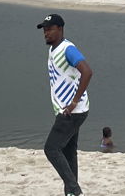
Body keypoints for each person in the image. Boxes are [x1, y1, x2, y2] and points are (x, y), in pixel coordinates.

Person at [37, 14, 95, 196]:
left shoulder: (67, 49)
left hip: (72, 112)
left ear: (60, 29)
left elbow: (87, 71)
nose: (46, 33)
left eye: (50, 29)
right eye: (45, 30)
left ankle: (76, 192)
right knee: (69, 152)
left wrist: (73, 102)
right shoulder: (54, 49)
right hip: (70, 110)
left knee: (51, 148)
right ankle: (70, 192)